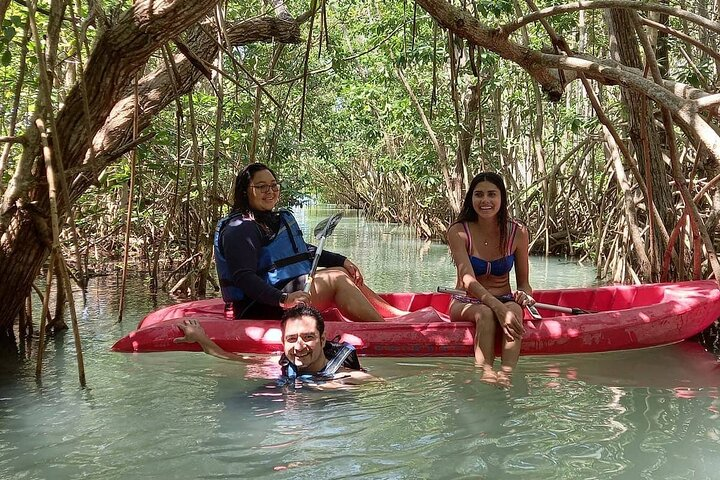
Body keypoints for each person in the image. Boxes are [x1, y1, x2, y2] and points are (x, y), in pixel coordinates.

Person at [214, 162, 405, 322]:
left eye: (273, 185)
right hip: (258, 306)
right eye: (261, 187)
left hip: (279, 293)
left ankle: (393, 316)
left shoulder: (267, 220)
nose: (270, 191)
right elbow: (243, 278)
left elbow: (300, 251)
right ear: (246, 192)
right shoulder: (240, 229)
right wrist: (284, 299)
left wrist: (342, 260)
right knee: (336, 279)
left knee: (340, 271)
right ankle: (382, 327)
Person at [446, 172, 533, 387]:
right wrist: (496, 308)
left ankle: (507, 373)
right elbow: (467, 280)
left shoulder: (518, 232)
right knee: (485, 313)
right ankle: (484, 371)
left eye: (492, 194)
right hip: (466, 302)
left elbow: (524, 283)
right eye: (479, 195)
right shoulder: (458, 231)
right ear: (471, 199)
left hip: (504, 298)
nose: (485, 200)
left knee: (515, 311)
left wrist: (524, 295)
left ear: (502, 198)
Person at [174, 305, 376, 386]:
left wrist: (331, 388)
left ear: (322, 340)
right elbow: (230, 358)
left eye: (308, 337)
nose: (299, 346)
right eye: (291, 339)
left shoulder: (348, 378)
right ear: (283, 342)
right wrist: (199, 338)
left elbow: (386, 391)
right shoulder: (278, 365)